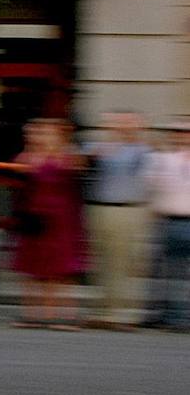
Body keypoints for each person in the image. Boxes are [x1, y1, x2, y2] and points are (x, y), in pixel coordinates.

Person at [8, 119, 87, 329]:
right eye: (37, 133)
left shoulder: (68, 157)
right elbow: (15, 184)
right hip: (33, 215)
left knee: (60, 267)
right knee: (33, 264)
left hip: (62, 217)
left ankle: (62, 314)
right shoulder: (25, 157)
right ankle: (32, 313)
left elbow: (79, 169)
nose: (41, 137)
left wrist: (58, 152)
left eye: (47, 133)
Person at [83, 112, 152, 329]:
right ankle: (102, 310)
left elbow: (148, 173)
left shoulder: (142, 151)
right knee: (100, 261)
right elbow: (83, 161)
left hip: (127, 210)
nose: (122, 127)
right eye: (118, 123)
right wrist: (105, 146)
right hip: (100, 208)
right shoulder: (97, 146)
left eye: (129, 123)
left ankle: (123, 313)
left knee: (123, 262)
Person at [146, 124, 190, 331]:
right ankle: (161, 313)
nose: (183, 137)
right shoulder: (162, 159)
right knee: (163, 270)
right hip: (168, 220)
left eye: (186, 133)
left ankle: (181, 315)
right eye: (179, 133)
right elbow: (151, 183)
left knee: (183, 273)